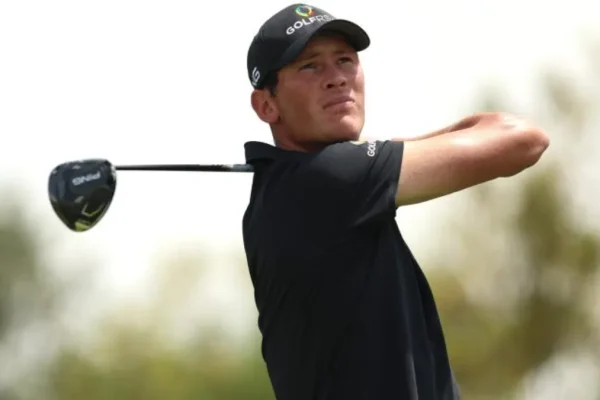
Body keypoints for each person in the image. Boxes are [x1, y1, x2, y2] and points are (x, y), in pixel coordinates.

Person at [241, 4, 550, 400]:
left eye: (345, 60)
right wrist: (375, 152)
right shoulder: (327, 180)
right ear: (266, 105)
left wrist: (376, 152)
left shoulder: (294, 186)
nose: (336, 78)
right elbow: (523, 139)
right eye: (310, 66)